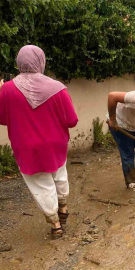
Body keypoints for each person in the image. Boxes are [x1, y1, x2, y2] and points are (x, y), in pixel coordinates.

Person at [0, 45, 78, 239]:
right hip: (56, 144)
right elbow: (72, 120)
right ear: (41, 61)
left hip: (26, 147)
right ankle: (64, 207)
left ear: (19, 62)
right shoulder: (57, 87)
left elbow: (2, 118)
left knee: (41, 184)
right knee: (59, 175)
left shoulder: (7, 89)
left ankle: (55, 224)